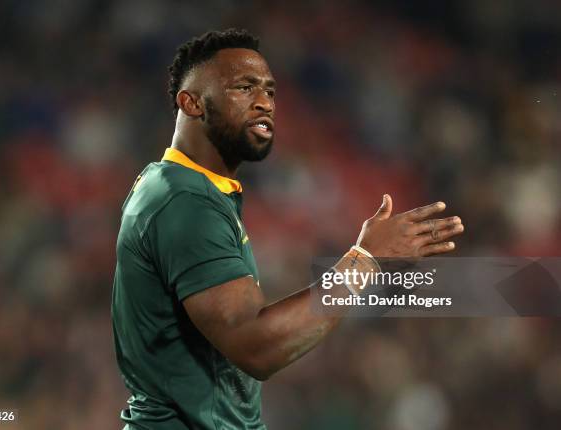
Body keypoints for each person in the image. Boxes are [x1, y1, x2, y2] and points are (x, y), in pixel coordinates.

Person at [111, 28, 465, 430]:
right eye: (244, 88)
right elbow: (257, 347)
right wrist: (364, 260)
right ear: (191, 103)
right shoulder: (185, 201)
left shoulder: (186, 189)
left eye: (270, 91)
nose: (264, 103)